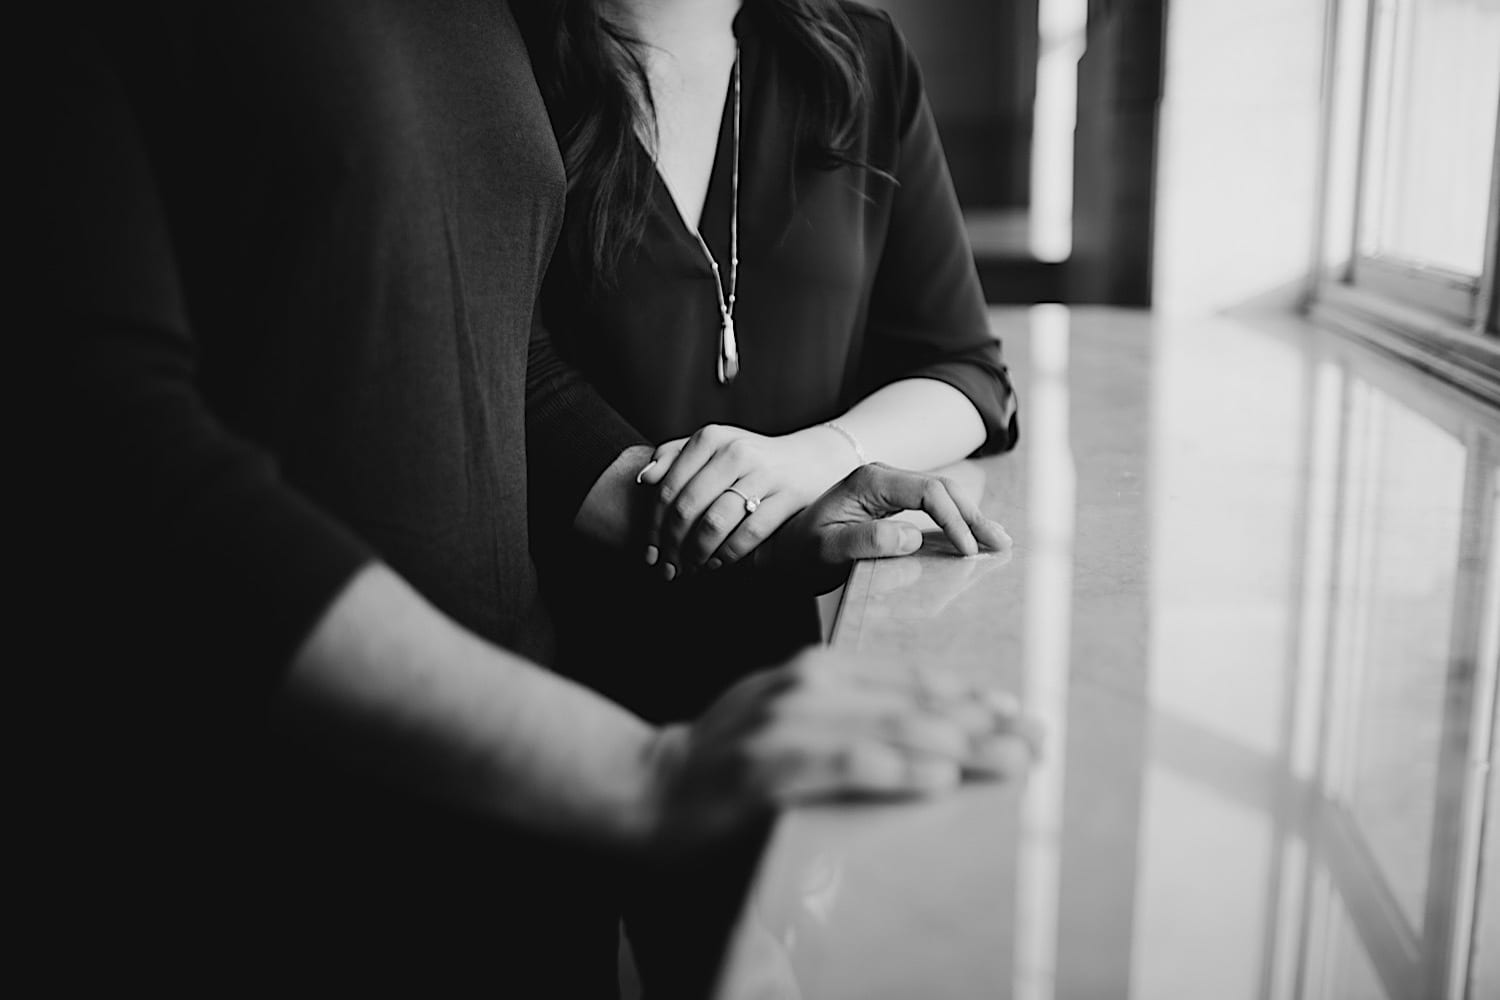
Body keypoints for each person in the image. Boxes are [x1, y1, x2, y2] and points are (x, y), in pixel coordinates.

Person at [35, 3, 1029, 995]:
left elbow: (483, 357)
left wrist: (767, 520)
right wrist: (640, 770)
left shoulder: (482, 22)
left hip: (512, 830)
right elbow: (110, 451)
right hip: (279, 833)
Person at [522, 0, 1020, 724]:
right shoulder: (507, 53)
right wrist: (749, 525)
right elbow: (501, 381)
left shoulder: (858, 55)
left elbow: (965, 371)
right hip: (566, 677)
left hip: (807, 661)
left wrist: (818, 457)